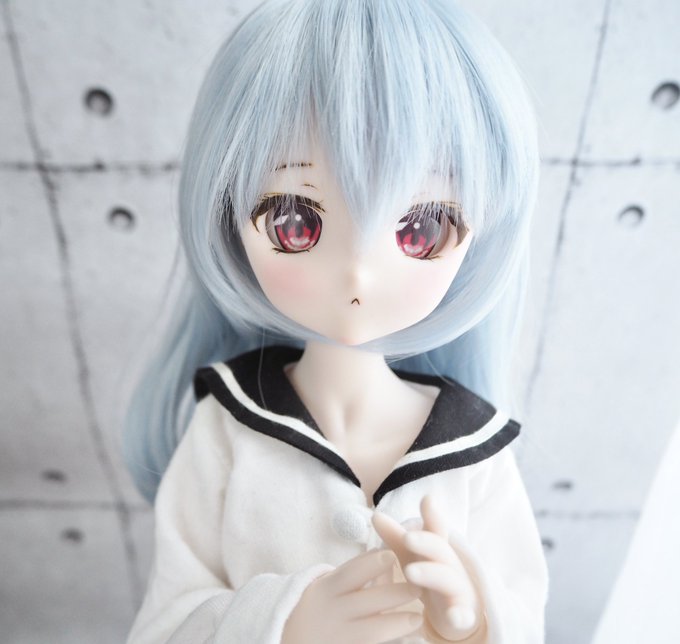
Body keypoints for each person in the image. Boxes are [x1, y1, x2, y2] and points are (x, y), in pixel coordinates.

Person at [123, 0, 549, 641]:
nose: (357, 276)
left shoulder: (476, 449)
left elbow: (525, 612)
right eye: (296, 222)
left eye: (420, 229)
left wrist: (472, 618)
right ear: (228, 216)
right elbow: (164, 622)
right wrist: (282, 624)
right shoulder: (229, 426)